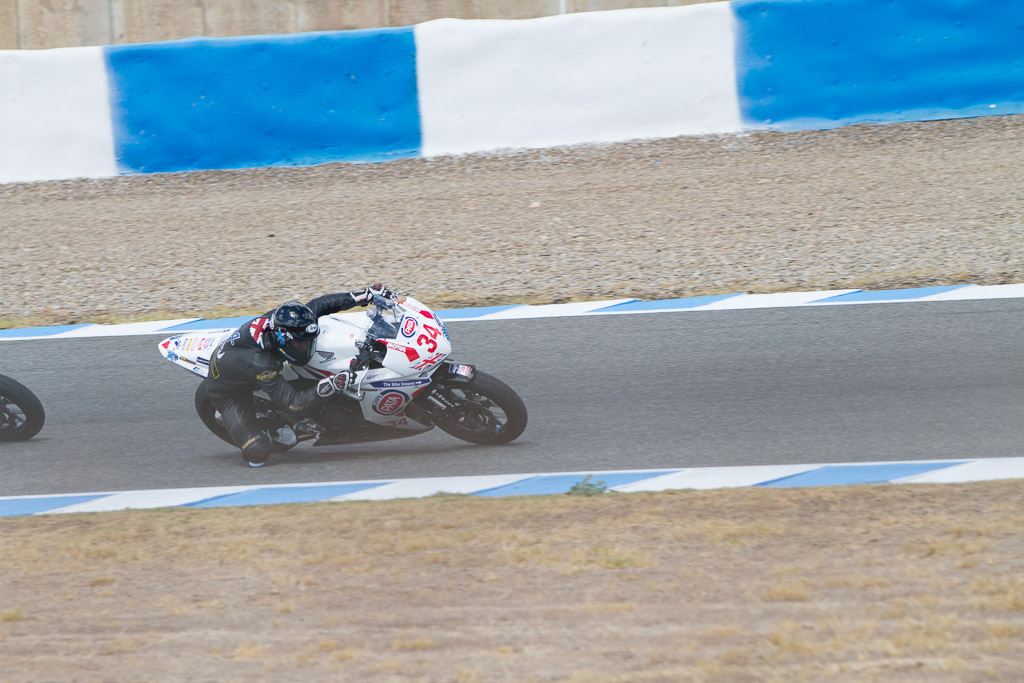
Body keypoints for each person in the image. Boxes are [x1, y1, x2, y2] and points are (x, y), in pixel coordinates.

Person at [201, 284, 392, 467]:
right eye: (301, 344)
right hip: (229, 395)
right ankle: (260, 421)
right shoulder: (261, 363)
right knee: (257, 454)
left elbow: (319, 305)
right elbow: (294, 404)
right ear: (283, 339)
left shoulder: (283, 321)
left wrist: (361, 296)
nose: (306, 347)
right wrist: (330, 385)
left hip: (241, 362)